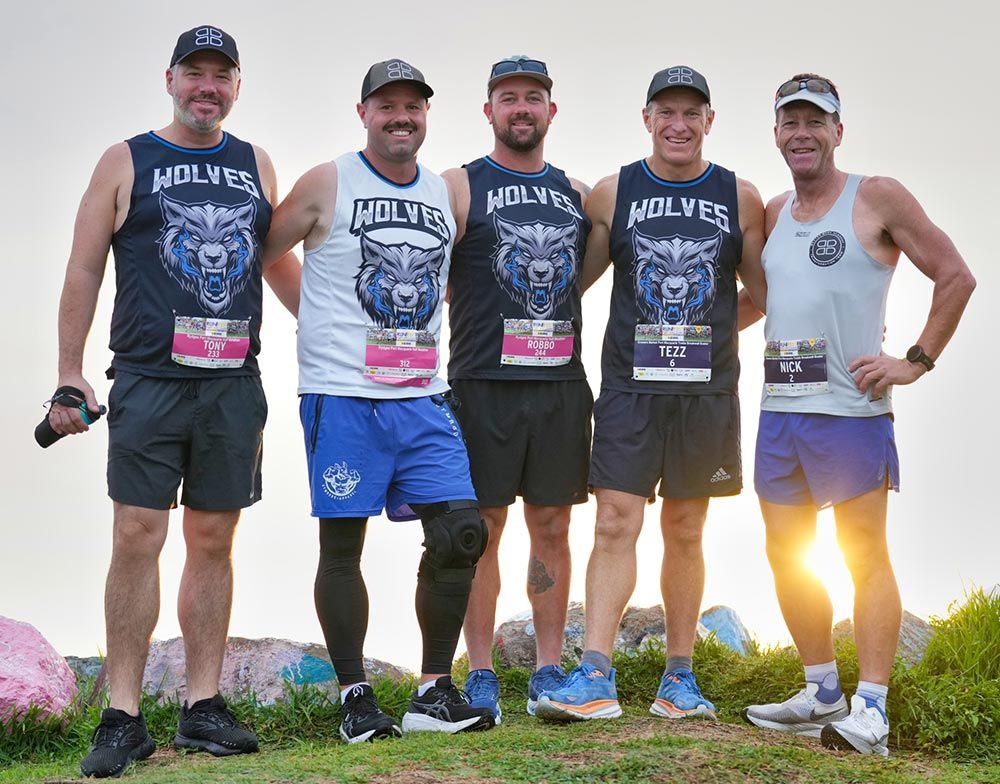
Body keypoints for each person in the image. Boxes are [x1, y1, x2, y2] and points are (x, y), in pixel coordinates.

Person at [48, 26, 301, 778]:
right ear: (170, 79)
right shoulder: (126, 159)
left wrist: (332, 332)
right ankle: (122, 715)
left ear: (236, 86)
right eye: (195, 73)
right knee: (135, 535)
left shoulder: (255, 162)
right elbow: (84, 269)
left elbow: (274, 258)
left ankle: (202, 706)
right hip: (149, 381)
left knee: (215, 540)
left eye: (221, 76)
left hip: (232, 383)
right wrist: (70, 372)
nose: (207, 87)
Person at [742, 74, 975, 757]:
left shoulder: (876, 196)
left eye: (817, 121)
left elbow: (955, 274)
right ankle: (821, 692)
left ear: (838, 131)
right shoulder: (776, 210)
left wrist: (915, 360)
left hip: (851, 410)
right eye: (791, 121)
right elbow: (761, 302)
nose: (803, 132)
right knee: (786, 555)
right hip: (779, 408)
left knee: (862, 553)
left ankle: (871, 707)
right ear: (777, 132)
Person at [262, 59, 495, 743]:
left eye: (413, 107)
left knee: (462, 533)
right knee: (343, 545)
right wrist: (312, 317)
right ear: (363, 112)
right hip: (344, 398)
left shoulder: (443, 193)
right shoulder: (327, 181)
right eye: (387, 105)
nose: (401, 117)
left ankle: (432, 692)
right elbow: (268, 252)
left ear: (426, 115)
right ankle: (355, 697)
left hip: (422, 397)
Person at [534, 65, 766, 722]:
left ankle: (680, 680)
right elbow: (566, 285)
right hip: (630, 391)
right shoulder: (615, 193)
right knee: (614, 522)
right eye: (667, 112)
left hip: (706, 394)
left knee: (686, 529)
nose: (679, 124)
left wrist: (722, 328)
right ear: (647, 120)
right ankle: (595, 677)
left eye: (692, 113)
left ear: (709, 123)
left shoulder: (739, 196)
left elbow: (769, 295)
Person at [441, 56, 592, 723]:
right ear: (489, 111)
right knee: (482, 527)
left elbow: (575, 278)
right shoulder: (458, 186)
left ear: (551, 111)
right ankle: (479, 672)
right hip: (482, 384)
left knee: (553, 525)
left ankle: (550, 668)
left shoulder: (579, 194)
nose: (521, 108)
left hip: (558, 385)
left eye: (534, 97)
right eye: (509, 98)